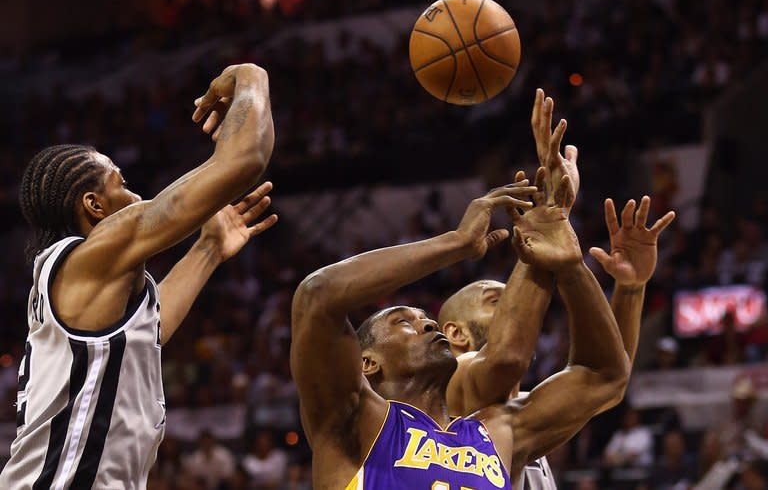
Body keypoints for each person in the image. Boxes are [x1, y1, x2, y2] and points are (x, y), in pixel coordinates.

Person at [0, 63, 276, 489]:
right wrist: (250, 74)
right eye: (121, 183)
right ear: (94, 206)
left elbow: (153, 328)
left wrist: (208, 248)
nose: (137, 196)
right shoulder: (91, 255)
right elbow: (246, 159)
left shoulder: (85, 284)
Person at [291, 148, 631, 489]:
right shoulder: (354, 420)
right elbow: (318, 295)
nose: (428, 324)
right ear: (367, 363)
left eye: (427, 319)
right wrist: (458, 242)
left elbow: (604, 376)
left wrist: (570, 266)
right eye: (403, 321)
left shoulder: (498, 431)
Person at [439, 89, 675, 489]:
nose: (520, 309)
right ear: (456, 334)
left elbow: (606, 378)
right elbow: (507, 358)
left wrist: (630, 290)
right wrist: (551, 223)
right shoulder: (453, 390)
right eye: (498, 300)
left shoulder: (519, 410)